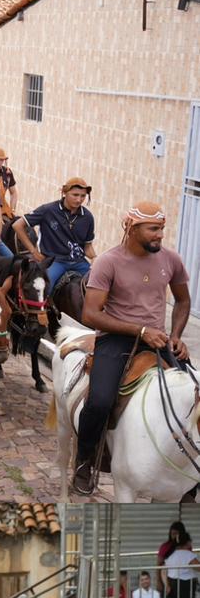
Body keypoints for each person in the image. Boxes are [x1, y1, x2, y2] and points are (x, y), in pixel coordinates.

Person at [72, 200, 190, 494]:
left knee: (192, 395)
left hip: (159, 340)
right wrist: (140, 330)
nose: (160, 235)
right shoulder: (108, 262)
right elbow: (90, 314)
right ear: (132, 228)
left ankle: (187, 480)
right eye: (153, 229)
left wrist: (175, 335)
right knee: (99, 401)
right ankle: (84, 461)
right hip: (116, 339)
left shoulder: (171, 260)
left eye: (161, 229)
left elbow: (184, 301)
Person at [13, 177, 96, 294]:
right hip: (55, 261)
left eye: (83, 196)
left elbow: (87, 247)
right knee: (44, 290)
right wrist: (33, 251)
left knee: (99, 285)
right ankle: (42, 312)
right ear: (64, 193)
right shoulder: (48, 210)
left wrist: (95, 258)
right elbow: (17, 225)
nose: (79, 200)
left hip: (79, 262)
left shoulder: (88, 217)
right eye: (75, 195)